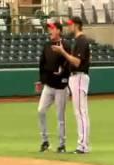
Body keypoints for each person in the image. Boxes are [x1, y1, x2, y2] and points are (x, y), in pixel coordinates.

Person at [52, 17, 91, 154]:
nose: (69, 27)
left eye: (71, 25)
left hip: (79, 76)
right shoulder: (79, 41)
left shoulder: (82, 41)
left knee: (80, 112)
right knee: (81, 112)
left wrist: (63, 52)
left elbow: (77, 63)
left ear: (77, 25)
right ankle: (83, 144)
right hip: (76, 77)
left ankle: (83, 146)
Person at [36, 22, 70, 153]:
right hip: (49, 86)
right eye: (49, 28)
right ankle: (45, 141)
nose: (50, 30)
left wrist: (63, 71)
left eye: (53, 28)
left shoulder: (65, 46)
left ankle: (62, 144)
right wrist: (41, 80)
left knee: (60, 116)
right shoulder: (46, 46)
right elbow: (42, 64)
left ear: (59, 31)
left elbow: (69, 63)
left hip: (61, 87)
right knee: (41, 111)